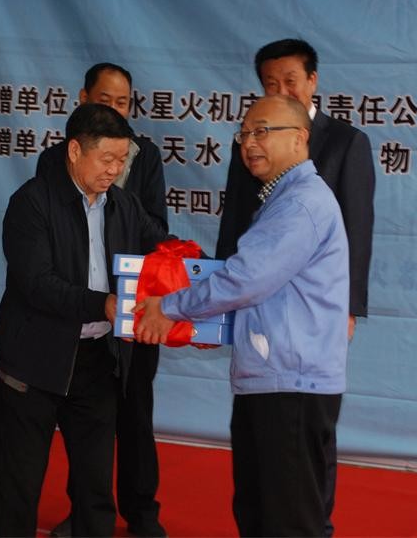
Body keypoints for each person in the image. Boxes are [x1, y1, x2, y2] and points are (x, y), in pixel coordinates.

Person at [135, 94, 349, 537]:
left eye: (262, 131)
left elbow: (247, 278)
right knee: (259, 514)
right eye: (245, 133)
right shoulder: (283, 199)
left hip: (290, 385)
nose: (249, 143)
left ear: (299, 138)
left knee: (287, 523)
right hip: (275, 380)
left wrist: (169, 307)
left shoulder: (300, 204)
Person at [216, 38, 375, 536]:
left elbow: (356, 229)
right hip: (258, 317)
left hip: (309, 321)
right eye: (270, 83)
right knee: (259, 475)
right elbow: (235, 222)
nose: (281, 89)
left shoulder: (344, 142)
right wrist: (219, 300)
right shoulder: (251, 139)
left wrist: (347, 307)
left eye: (290, 80)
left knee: (300, 465)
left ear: (312, 81)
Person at [0, 103, 169, 538]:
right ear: (74, 151)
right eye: (107, 159)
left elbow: (163, 249)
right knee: (18, 489)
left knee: (94, 491)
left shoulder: (124, 205)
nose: (115, 170)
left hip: (98, 363)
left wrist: (197, 273)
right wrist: (102, 304)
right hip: (32, 363)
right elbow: (38, 284)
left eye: (122, 160)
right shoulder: (32, 203)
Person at [38, 63, 169, 538]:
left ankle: (141, 514)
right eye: (105, 100)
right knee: (85, 428)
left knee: (135, 417)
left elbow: (156, 229)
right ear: (82, 100)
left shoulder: (145, 156)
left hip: (133, 312)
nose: (115, 109)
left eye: (122, 102)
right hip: (86, 315)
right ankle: (87, 515)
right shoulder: (56, 159)